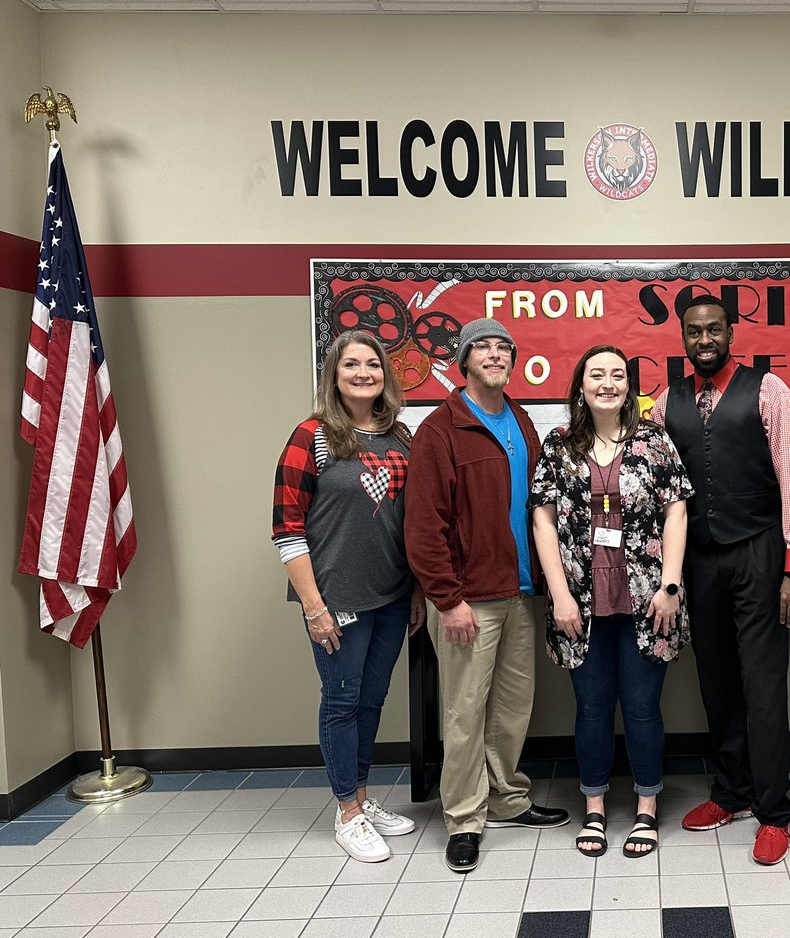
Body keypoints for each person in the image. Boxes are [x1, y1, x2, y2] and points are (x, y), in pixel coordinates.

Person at [651, 296, 790, 866]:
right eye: (694, 331)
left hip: (759, 550)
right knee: (716, 677)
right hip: (698, 557)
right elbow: (658, 493)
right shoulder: (665, 402)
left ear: (731, 332)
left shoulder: (769, 392)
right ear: (682, 336)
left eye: (714, 329)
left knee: (764, 681)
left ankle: (774, 811)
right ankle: (732, 792)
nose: (704, 339)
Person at [405, 317, 569, 873]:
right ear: (464, 361)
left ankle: (506, 800)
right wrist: (447, 600)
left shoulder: (520, 420)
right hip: (467, 600)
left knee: (511, 710)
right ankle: (465, 818)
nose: (496, 355)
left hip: (520, 593)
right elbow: (424, 526)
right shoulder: (440, 429)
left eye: (504, 348)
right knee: (463, 712)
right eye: (484, 348)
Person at [529, 345, 692, 859]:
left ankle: (646, 808)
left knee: (643, 708)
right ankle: (595, 809)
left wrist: (670, 586)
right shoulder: (558, 445)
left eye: (617, 375)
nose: (607, 383)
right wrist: (559, 596)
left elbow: (677, 511)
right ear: (580, 386)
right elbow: (543, 519)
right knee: (593, 709)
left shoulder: (653, 440)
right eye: (596, 374)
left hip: (648, 601)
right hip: (579, 602)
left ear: (629, 386)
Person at [271, 329, 424, 863]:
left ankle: (361, 796)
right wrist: (314, 607)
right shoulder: (310, 436)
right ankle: (347, 812)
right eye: (352, 365)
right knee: (341, 701)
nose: (364, 373)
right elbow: (287, 529)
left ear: (386, 376)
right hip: (336, 600)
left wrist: (417, 590)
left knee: (371, 700)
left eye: (374, 365)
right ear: (334, 375)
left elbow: (411, 522)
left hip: (392, 595)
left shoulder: (401, 437)